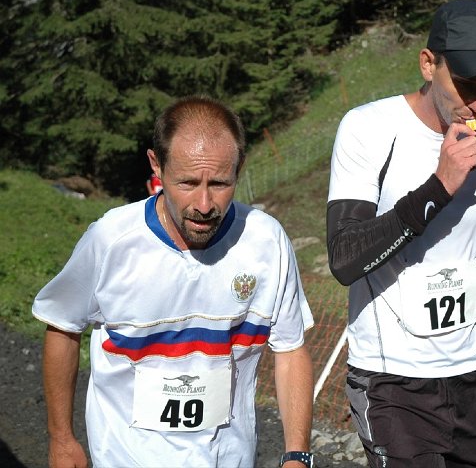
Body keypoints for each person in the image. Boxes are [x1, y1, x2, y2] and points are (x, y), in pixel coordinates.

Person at [326, 0, 476, 467]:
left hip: (474, 372)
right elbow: (344, 258)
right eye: (467, 85)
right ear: (429, 64)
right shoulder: (368, 128)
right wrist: (438, 188)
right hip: (393, 379)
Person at [33, 96, 316, 468]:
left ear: (240, 168)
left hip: (229, 458)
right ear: (157, 165)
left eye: (220, 183)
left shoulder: (267, 242)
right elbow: (62, 326)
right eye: (187, 183)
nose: (204, 204)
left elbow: (290, 349)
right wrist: (61, 438)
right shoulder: (111, 240)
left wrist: (297, 454)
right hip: (126, 458)